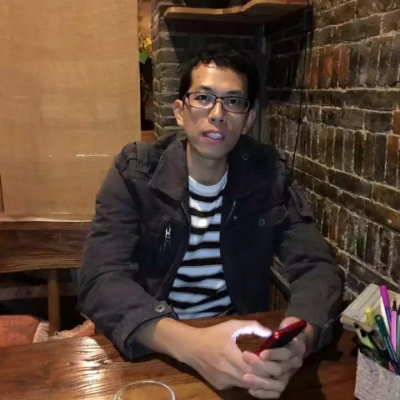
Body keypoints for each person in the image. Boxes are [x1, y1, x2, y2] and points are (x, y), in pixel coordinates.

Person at [78, 42, 344, 399]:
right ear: (179, 111)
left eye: (233, 101)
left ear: (248, 120)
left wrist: (301, 337)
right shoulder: (135, 171)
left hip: (236, 349)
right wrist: (191, 345)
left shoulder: (267, 175)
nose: (218, 113)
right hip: (150, 347)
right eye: (203, 98)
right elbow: (100, 278)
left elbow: (316, 267)